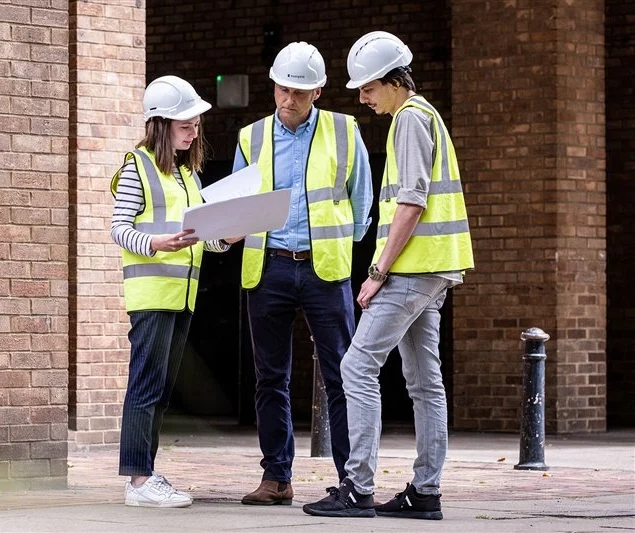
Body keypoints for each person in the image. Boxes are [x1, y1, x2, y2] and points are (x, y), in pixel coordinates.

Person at [302, 31, 474, 520]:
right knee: (425, 381)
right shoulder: (425, 116)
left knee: (357, 367)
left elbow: (412, 202)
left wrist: (377, 271)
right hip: (435, 267)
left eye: (368, 87)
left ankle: (357, 488)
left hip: (412, 270)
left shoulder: (409, 121)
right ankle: (426, 492)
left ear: (395, 81)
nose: (362, 97)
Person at [234, 42, 373, 506]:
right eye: (282, 89)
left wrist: (340, 243)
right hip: (268, 267)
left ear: (317, 91)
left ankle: (352, 483)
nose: (288, 99)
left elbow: (361, 199)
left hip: (324, 269)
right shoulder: (251, 137)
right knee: (270, 378)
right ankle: (276, 478)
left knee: (342, 376)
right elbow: (236, 206)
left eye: (298, 91)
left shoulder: (344, 130)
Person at [111, 75, 233, 508]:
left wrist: (227, 236)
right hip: (151, 295)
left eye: (196, 125)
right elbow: (118, 229)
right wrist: (156, 243)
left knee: (160, 389)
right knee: (146, 385)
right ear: (161, 124)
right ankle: (139, 481)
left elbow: (199, 234)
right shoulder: (137, 166)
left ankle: (145, 475)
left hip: (182, 295)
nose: (194, 132)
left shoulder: (186, 173)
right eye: (186, 125)